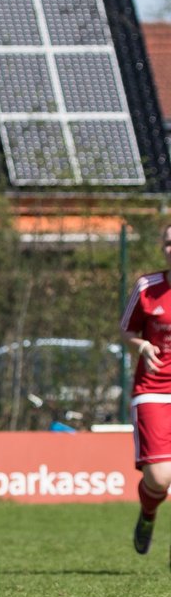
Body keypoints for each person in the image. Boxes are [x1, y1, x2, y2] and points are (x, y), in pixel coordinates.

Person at [122, 222, 171, 560]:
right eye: (169, 243)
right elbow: (126, 331)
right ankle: (148, 513)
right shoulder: (147, 287)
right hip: (153, 390)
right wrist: (141, 347)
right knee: (159, 478)